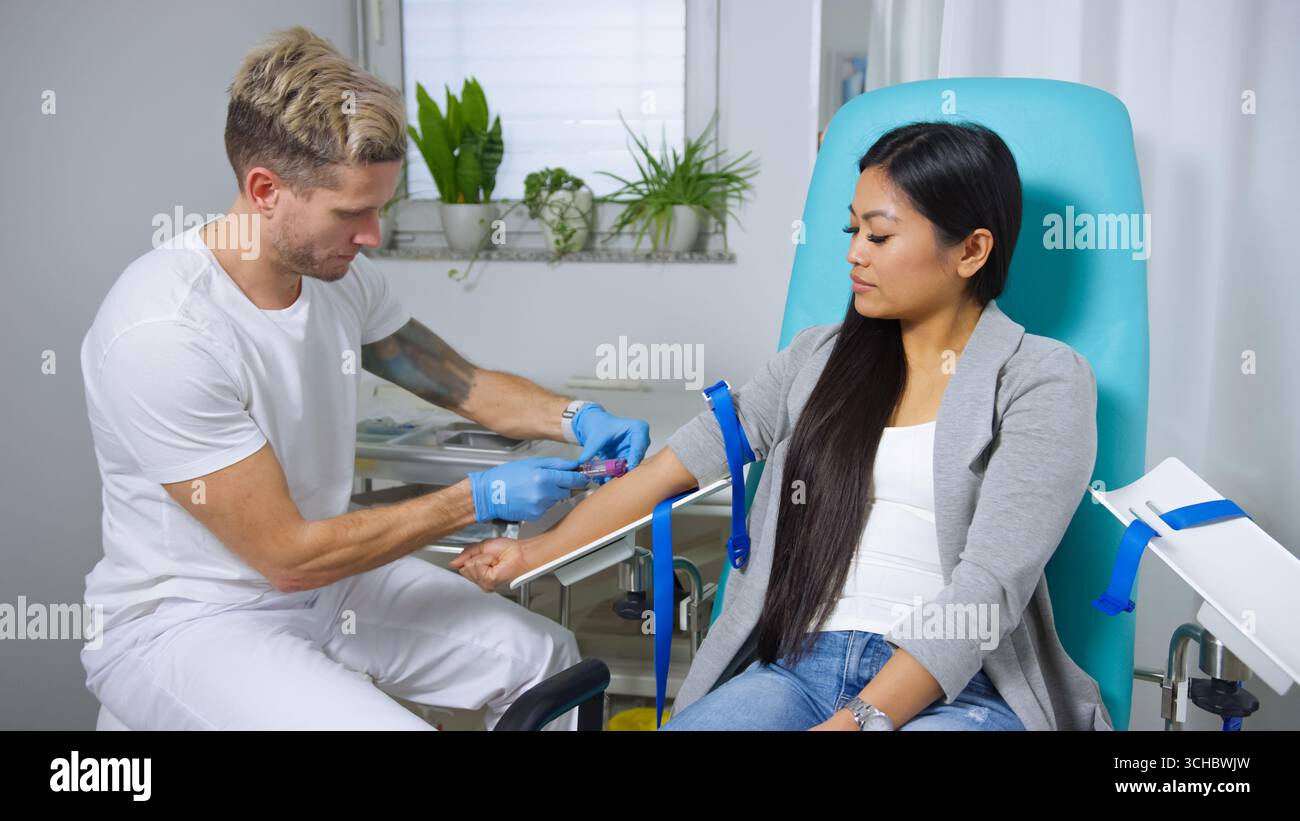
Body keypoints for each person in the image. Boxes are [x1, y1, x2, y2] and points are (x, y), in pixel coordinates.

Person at [452, 121, 1113, 731]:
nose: (854, 254)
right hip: (795, 670)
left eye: (879, 236)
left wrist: (857, 721)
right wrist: (534, 552)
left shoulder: (1042, 379)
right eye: (850, 231)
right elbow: (675, 466)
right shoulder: (818, 359)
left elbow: (988, 587)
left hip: (955, 691)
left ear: (971, 250)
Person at [78, 27, 647, 730]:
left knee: (551, 663)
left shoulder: (338, 278)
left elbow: (459, 381)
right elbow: (285, 555)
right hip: (191, 619)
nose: (374, 234)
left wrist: (577, 415)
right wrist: (477, 496)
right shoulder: (163, 332)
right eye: (352, 212)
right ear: (265, 191)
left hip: (326, 584)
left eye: (380, 207)